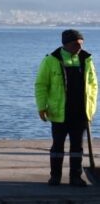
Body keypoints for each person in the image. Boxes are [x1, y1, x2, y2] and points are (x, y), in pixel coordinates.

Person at [35, 29, 97, 187]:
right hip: (59, 112)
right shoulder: (51, 60)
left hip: (80, 111)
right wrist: (42, 107)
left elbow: (93, 85)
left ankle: (76, 177)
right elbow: (41, 85)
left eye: (82, 44)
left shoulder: (87, 60)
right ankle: (55, 176)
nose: (80, 47)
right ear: (67, 44)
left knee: (77, 147)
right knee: (57, 146)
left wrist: (91, 108)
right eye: (77, 44)